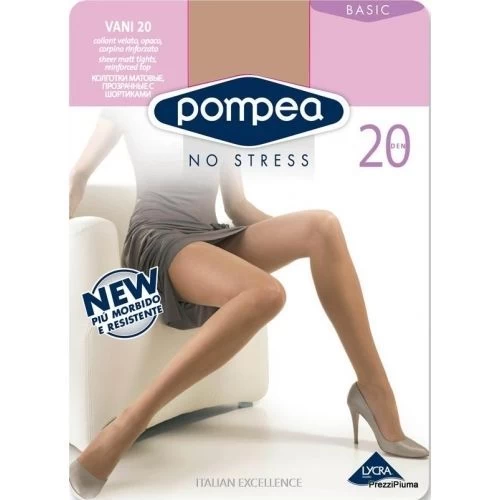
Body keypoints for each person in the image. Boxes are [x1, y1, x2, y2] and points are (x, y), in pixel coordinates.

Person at [69, 108, 428, 499]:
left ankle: (374, 392)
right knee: (266, 292)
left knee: (322, 227)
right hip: (158, 240)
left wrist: (289, 237)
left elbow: (236, 205)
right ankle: (128, 423)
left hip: (208, 236)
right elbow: (79, 175)